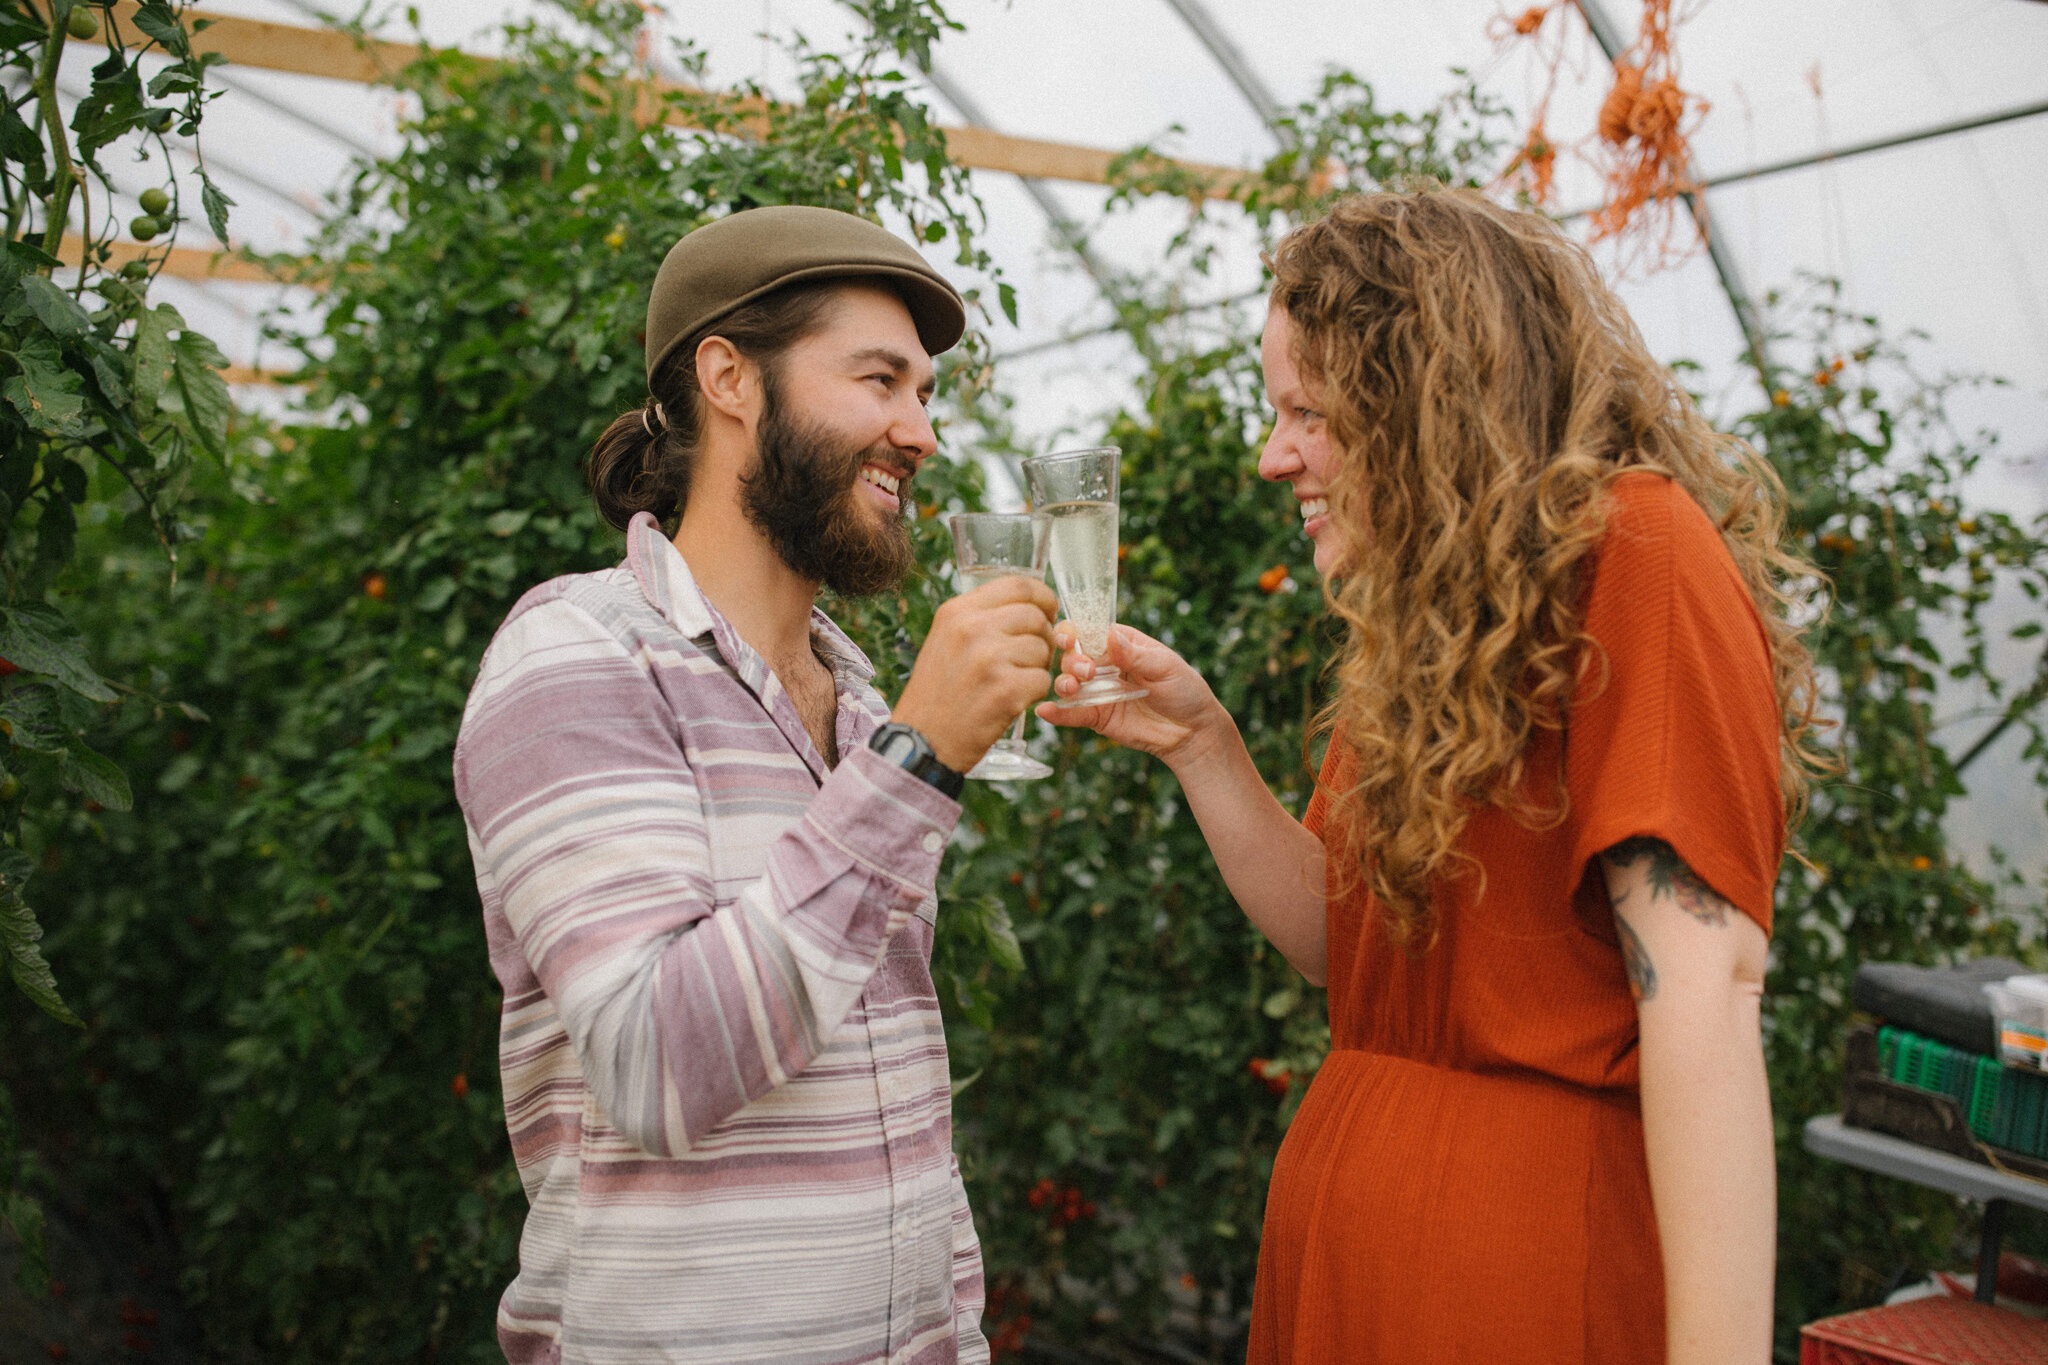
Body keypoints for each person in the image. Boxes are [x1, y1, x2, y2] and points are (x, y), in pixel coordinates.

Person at [1042, 188, 1820, 1363]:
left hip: (1515, 1278)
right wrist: (1203, 745)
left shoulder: (1637, 551)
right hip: (1358, 1252)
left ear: (1427, 401)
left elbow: (1703, 997)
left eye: (1307, 411)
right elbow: (1340, 946)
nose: (1271, 457)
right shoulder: (1443, 624)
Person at [453, 206, 1057, 1364]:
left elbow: (896, 1104)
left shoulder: (863, 698)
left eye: (925, 394)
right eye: (878, 379)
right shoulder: (577, 656)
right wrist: (920, 757)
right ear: (729, 378)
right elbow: (654, 1065)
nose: (917, 430)